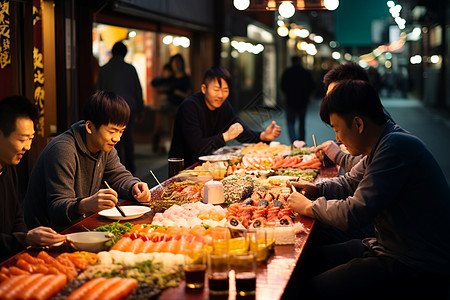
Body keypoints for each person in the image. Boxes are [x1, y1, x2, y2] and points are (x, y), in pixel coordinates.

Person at [286, 80, 450, 298]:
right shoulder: (382, 143)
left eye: (337, 129)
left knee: (312, 291)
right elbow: (350, 183)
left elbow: (355, 212)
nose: (337, 138)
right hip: (387, 246)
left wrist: (310, 207)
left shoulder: (395, 147)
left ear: (358, 124)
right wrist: (316, 190)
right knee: (307, 261)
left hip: (414, 263)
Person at [24, 91, 151, 232]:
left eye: (121, 131)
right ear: (90, 127)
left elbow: (118, 176)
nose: (117, 138)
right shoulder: (63, 149)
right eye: (112, 131)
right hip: (48, 233)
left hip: (81, 225)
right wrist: (86, 204)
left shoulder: (105, 146)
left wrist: (134, 186)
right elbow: (57, 208)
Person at [169, 66, 281, 167]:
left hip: (207, 165)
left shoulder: (224, 105)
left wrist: (263, 136)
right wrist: (226, 136)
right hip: (184, 167)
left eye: (225, 90)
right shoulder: (190, 106)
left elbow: (239, 130)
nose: (221, 95)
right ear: (204, 89)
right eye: (216, 90)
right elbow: (197, 147)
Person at [0, 96, 66, 261]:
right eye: (22, 139)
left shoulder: (9, 168)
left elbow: (17, 219)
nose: (28, 146)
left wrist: (28, 237)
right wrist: (25, 239)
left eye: (30, 138)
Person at [315, 62, 395, 173]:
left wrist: (336, 154)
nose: (329, 104)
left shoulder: (386, 143)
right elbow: (352, 180)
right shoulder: (378, 131)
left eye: (334, 96)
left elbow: (364, 174)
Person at [97, 40, 144, 175]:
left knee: (113, 141)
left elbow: (98, 91)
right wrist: (141, 109)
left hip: (109, 109)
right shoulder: (130, 69)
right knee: (127, 138)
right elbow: (137, 90)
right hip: (129, 109)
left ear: (112, 52)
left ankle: (115, 171)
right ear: (125, 53)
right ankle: (130, 170)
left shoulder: (104, 69)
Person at [280, 55, 315, 143]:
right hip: (302, 101)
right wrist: (308, 96)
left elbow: (282, 85)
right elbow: (312, 85)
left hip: (290, 101)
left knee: (290, 123)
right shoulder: (305, 72)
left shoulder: (288, 72)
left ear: (292, 61)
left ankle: (294, 142)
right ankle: (302, 142)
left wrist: (287, 94)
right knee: (301, 123)